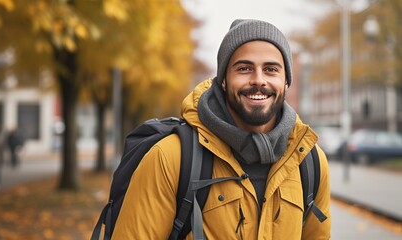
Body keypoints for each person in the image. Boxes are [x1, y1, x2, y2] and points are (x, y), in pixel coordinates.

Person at [112, 19, 331, 239]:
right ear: (224, 80)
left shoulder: (310, 162)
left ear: (286, 82)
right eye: (244, 68)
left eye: (271, 69)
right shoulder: (171, 157)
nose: (258, 80)